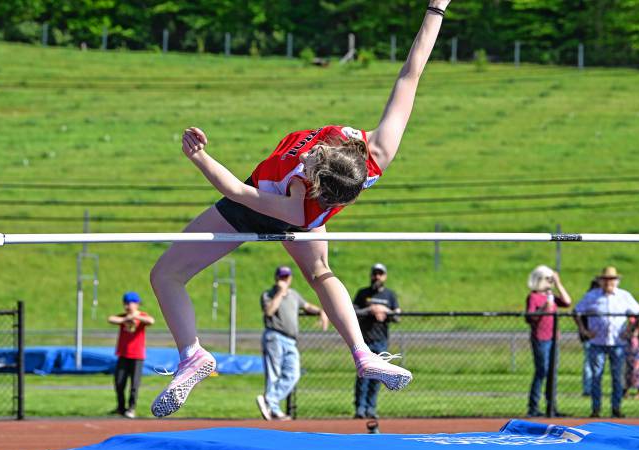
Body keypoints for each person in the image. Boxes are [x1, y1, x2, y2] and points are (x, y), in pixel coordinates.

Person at [148, 2, 451, 417]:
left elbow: (236, 190)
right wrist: (436, 8)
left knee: (165, 273)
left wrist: (199, 155)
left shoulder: (295, 206)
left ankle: (193, 355)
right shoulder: (377, 151)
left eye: (307, 168)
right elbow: (411, 73)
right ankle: (363, 354)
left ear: (314, 176)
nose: (306, 161)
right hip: (310, 217)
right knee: (321, 273)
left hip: (262, 204)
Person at [256, 266, 328, 421]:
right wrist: (280, 293)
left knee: (294, 373)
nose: (284, 279)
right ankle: (274, 409)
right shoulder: (268, 294)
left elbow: (307, 306)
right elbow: (269, 311)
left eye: (286, 277)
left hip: (291, 340)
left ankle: (270, 400)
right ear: (276, 278)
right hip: (274, 336)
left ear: (290, 278)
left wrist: (321, 311)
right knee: (273, 375)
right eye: (281, 277)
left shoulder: (294, 294)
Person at [574, 266, 639, 418]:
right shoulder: (592, 296)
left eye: (611, 279)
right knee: (596, 376)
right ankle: (596, 409)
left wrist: (630, 330)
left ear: (617, 281)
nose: (608, 283)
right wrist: (584, 331)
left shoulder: (624, 296)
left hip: (617, 343)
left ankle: (616, 408)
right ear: (600, 281)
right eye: (605, 280)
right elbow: (577, 312)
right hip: (597, 342)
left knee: (617, 377)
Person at [352, 263, 401, 419]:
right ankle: (360, 408)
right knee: (364, 376)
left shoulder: (389, 295)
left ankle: (371, 408)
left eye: (380, 274)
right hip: (364, 342)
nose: (377, 276)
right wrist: (370, 309)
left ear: (385, 276)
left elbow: (397, 317)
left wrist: (385, 311)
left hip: (381, 341)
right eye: (375, 273)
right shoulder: (363, 293)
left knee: (379, 376)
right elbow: (352, 312)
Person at [524, 265, 571, 417]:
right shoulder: (534, 297)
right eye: (548, 279)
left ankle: (552, 407)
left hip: (553, 338)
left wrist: (558, 283)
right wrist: (543, 308)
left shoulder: (551, 296)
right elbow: (529, 317)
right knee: (542, 371)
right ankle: (534, 407)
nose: (550, 282)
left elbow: (567, 302)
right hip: (541, 338)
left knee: (552, 373)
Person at [107, 292, 154, 419]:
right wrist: (125, 319)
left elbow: (151, 321)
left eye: (132, 303)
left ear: (137, 304)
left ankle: (131, 408)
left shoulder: (141, 316)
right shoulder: (123, 317)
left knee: (134, 384)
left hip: (137, 356)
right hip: (123, 355)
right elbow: (111, 319)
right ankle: (120, 407)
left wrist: (136, 316)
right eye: (127, 303)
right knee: (119, 382)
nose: (129, 306)